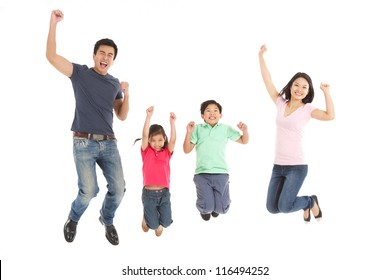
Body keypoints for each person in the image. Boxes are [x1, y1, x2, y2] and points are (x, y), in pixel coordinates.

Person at [46, 10, 130, 245]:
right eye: (101, 52)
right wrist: (53, 24)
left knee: (120, 188)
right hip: (83, 142)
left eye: (110, 55)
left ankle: (106, 219)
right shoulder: (80, 73)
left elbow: (122, 115)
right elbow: (52, 56)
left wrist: (128, 93)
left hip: (109, 144)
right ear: (94, 55)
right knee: (89, 191)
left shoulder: (114, 83)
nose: (105, 57)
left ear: (113, 60)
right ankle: (73, 218)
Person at [258, 44, 335, 223]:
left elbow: (330, 116)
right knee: (272, 208)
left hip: (297, 167)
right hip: (278, 166)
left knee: (285, 207)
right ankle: (306, 204)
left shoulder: (307, 109)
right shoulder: (280, 103)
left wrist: (326, 92)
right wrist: (261, 56)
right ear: (291, 86)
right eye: (297, 85)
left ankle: (310, 201)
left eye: (304, 87)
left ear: (308, 91)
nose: (299, 89)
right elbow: (267, 80)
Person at [183, 100, 249, 221]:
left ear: (220, 115)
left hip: (221, 173)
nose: (212, 113)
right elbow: (186, 150)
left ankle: (215, 207)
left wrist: (245, 130)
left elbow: (244, 141)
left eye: (215, 111)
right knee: (207, 207)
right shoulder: (197, 129)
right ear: (202, 115)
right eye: (208, 110)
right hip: (202, 174)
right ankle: (206, 209)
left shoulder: (225, 129)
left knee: (222, 209)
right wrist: (188, 133)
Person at [137, 106, 176, 237]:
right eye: (153, 140)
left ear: (164, 138)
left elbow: (173, 140)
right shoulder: (146, 151)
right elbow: (144, 135)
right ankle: (147, 216)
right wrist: (148, 117)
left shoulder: (167, 152)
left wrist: (172, 123)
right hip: (148, 194)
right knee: (153, 226)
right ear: (149, 140)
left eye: (160, 140)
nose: (157, 143)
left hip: (164, 194)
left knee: (166, 223)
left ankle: (153, 215)